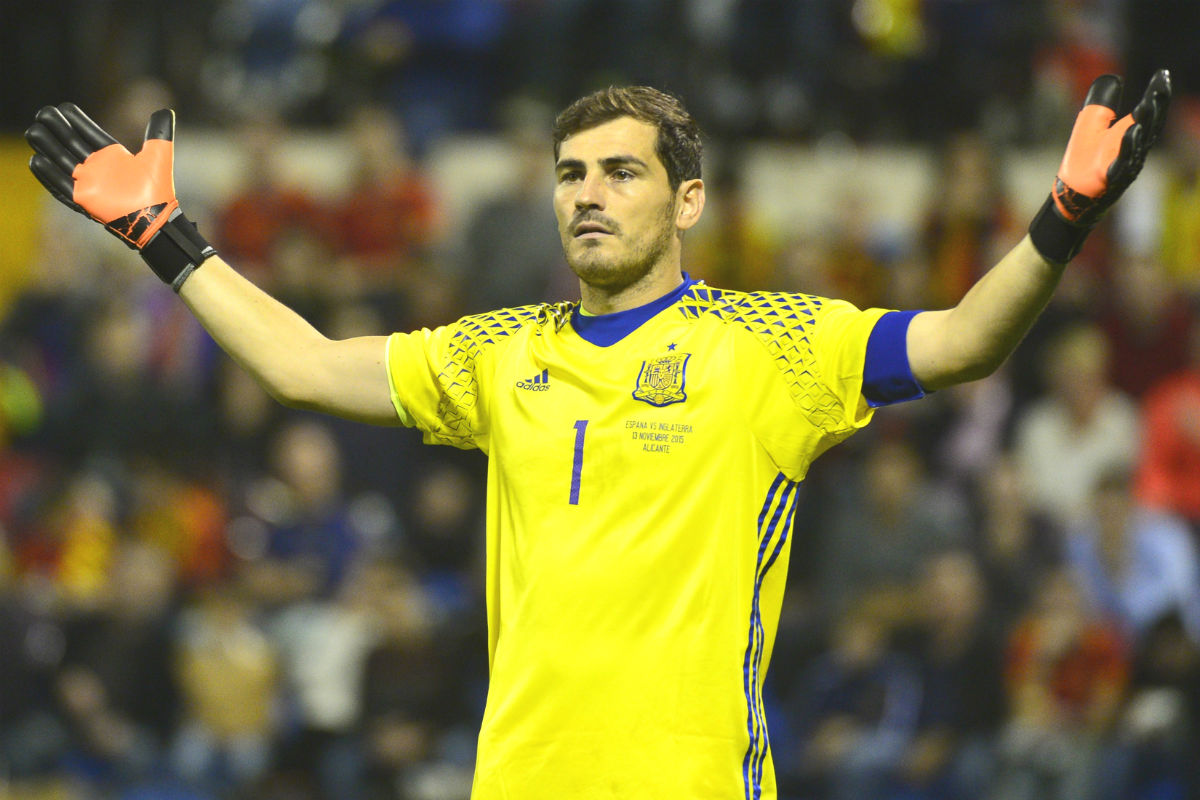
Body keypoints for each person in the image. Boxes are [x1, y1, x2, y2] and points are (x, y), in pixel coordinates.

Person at [23, 70, 1171, 799]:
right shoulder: (498, 350)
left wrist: (1063, 218)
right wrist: (165, 237)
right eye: (571, 174)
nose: (588, 193)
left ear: (688, 202)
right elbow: (304, 363)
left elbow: (967, 338)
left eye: (622, 172)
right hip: (518, 781)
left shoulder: (770, 343)